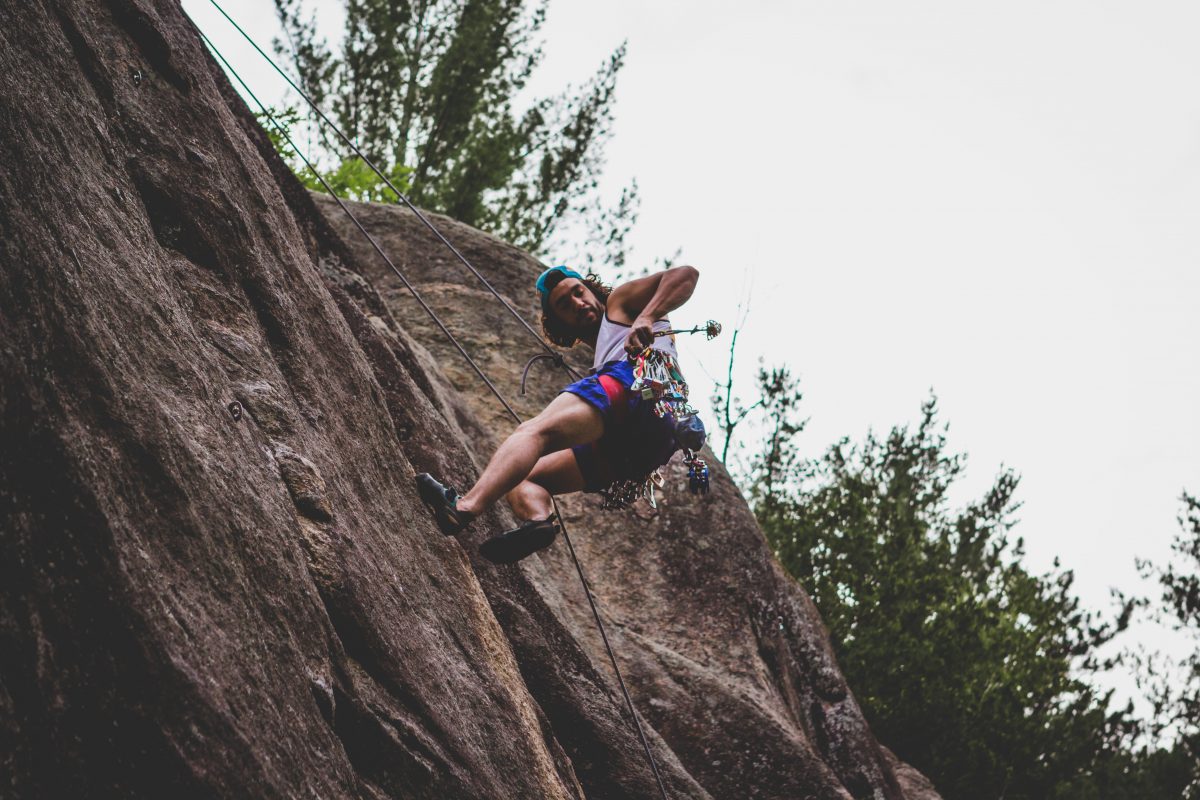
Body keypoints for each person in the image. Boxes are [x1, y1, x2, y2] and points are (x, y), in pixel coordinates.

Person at [416, 264, 701, 563]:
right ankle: (539, 521)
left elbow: (685, 275)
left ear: (592, 291)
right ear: (560, 323)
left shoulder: (621, 303)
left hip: (638, 389)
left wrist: (646, 315)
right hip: (646, 445)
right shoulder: (605, 349)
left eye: (579, 292)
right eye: (564, 305)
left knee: (533, 433)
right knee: (523, 476)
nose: (577, 303)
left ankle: (464, 507)